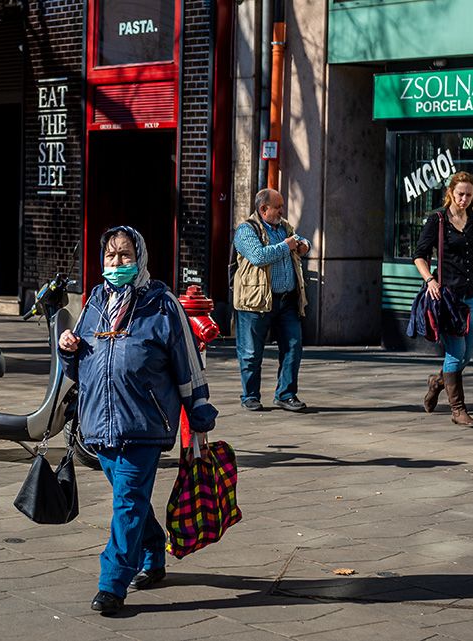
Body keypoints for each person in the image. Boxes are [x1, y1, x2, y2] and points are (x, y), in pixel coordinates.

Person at [58, 226, 218, 617]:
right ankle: (153, 552)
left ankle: (111, 585)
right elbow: (81, 365)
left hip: (145, 423)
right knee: (129, 499)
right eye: (111, 257)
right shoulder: (95, 299)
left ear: (140, 258)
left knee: (127, 503)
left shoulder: (162, 304)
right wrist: (68, 349)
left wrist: (198, 410)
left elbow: (188, 364)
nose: (117, 264)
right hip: (100, 423)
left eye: (125, 256)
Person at [413, 171, 473, 427]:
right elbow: (419, 255)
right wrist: (430, 279)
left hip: (472, 296)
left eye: (469, 195)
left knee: (467, 355)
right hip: (448, 297)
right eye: (460, 194)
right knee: (455, 352)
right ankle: (458, 410)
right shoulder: (437, 219)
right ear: (451, 192)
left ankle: (438, 382)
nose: (464, 199)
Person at [232, 188, 311, 412]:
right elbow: (259, 256)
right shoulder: (246, 230)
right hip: (255, 302)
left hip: (287, 301)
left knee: (293, 347)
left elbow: (300, 240)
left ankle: (286, 395)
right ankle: (250, 396)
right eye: (278, 207)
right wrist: (287, 246)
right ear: (263, 209)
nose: (281, 211)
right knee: (250, 352)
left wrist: (304, 245)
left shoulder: (284, 227)